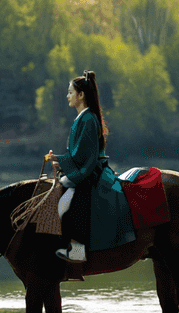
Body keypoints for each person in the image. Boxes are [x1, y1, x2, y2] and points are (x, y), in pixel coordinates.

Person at [46, 70, 135, 262]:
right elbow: (78, 152)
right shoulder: (84, 117)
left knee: (65, 203)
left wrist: (58, 159)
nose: (68, 96)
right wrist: (60, 159)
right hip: (84, 167)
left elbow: (81, 154)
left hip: (89, 171)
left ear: (81, 95)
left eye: (70, 92)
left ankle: (77, 248)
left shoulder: (87, 119)